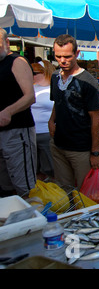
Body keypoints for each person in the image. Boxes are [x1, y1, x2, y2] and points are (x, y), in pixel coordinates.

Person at [48, 34, 99, 188]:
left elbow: (96, 119)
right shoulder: (55, 76)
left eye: (67, 56)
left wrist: (95, 152)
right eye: (58, 56)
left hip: (80, 149)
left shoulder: (88, 82)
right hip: (59, 144)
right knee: (64, 191)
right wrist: (51, 120)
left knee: (85, 192)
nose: (62, 60)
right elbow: (57, 102)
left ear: (77, 54)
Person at [0, 28, 37, 197]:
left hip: (17, 132)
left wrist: (8, 111)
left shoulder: (16, 61)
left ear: (7, 43)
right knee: (4, 184)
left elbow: (30, 96)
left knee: (24, 185)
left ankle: (33, 221)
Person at [31, 61, 55, 181]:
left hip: (46, 132)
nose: (32, 76)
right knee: (33, 167)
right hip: (31, 133)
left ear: (45, 72)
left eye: (35, 73)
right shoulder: (31, 88)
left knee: (50, 168)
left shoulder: (54, 88)